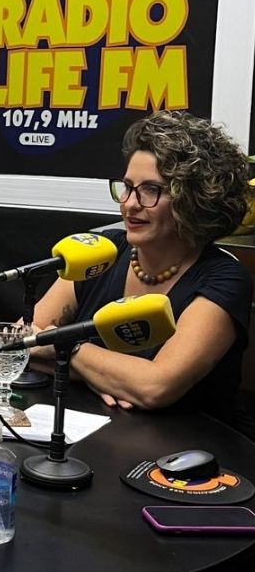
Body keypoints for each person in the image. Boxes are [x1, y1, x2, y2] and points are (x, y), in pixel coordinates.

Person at [32, 109, 252, 435]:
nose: (129, 204)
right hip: (95, 433)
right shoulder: (102, 251)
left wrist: (69, 348)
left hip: (193, 448)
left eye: (150, 190)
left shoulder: (224, 279)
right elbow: (27, 340)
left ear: (194, 200)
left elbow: (154, 387)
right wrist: (107, 377)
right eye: (127, 186)